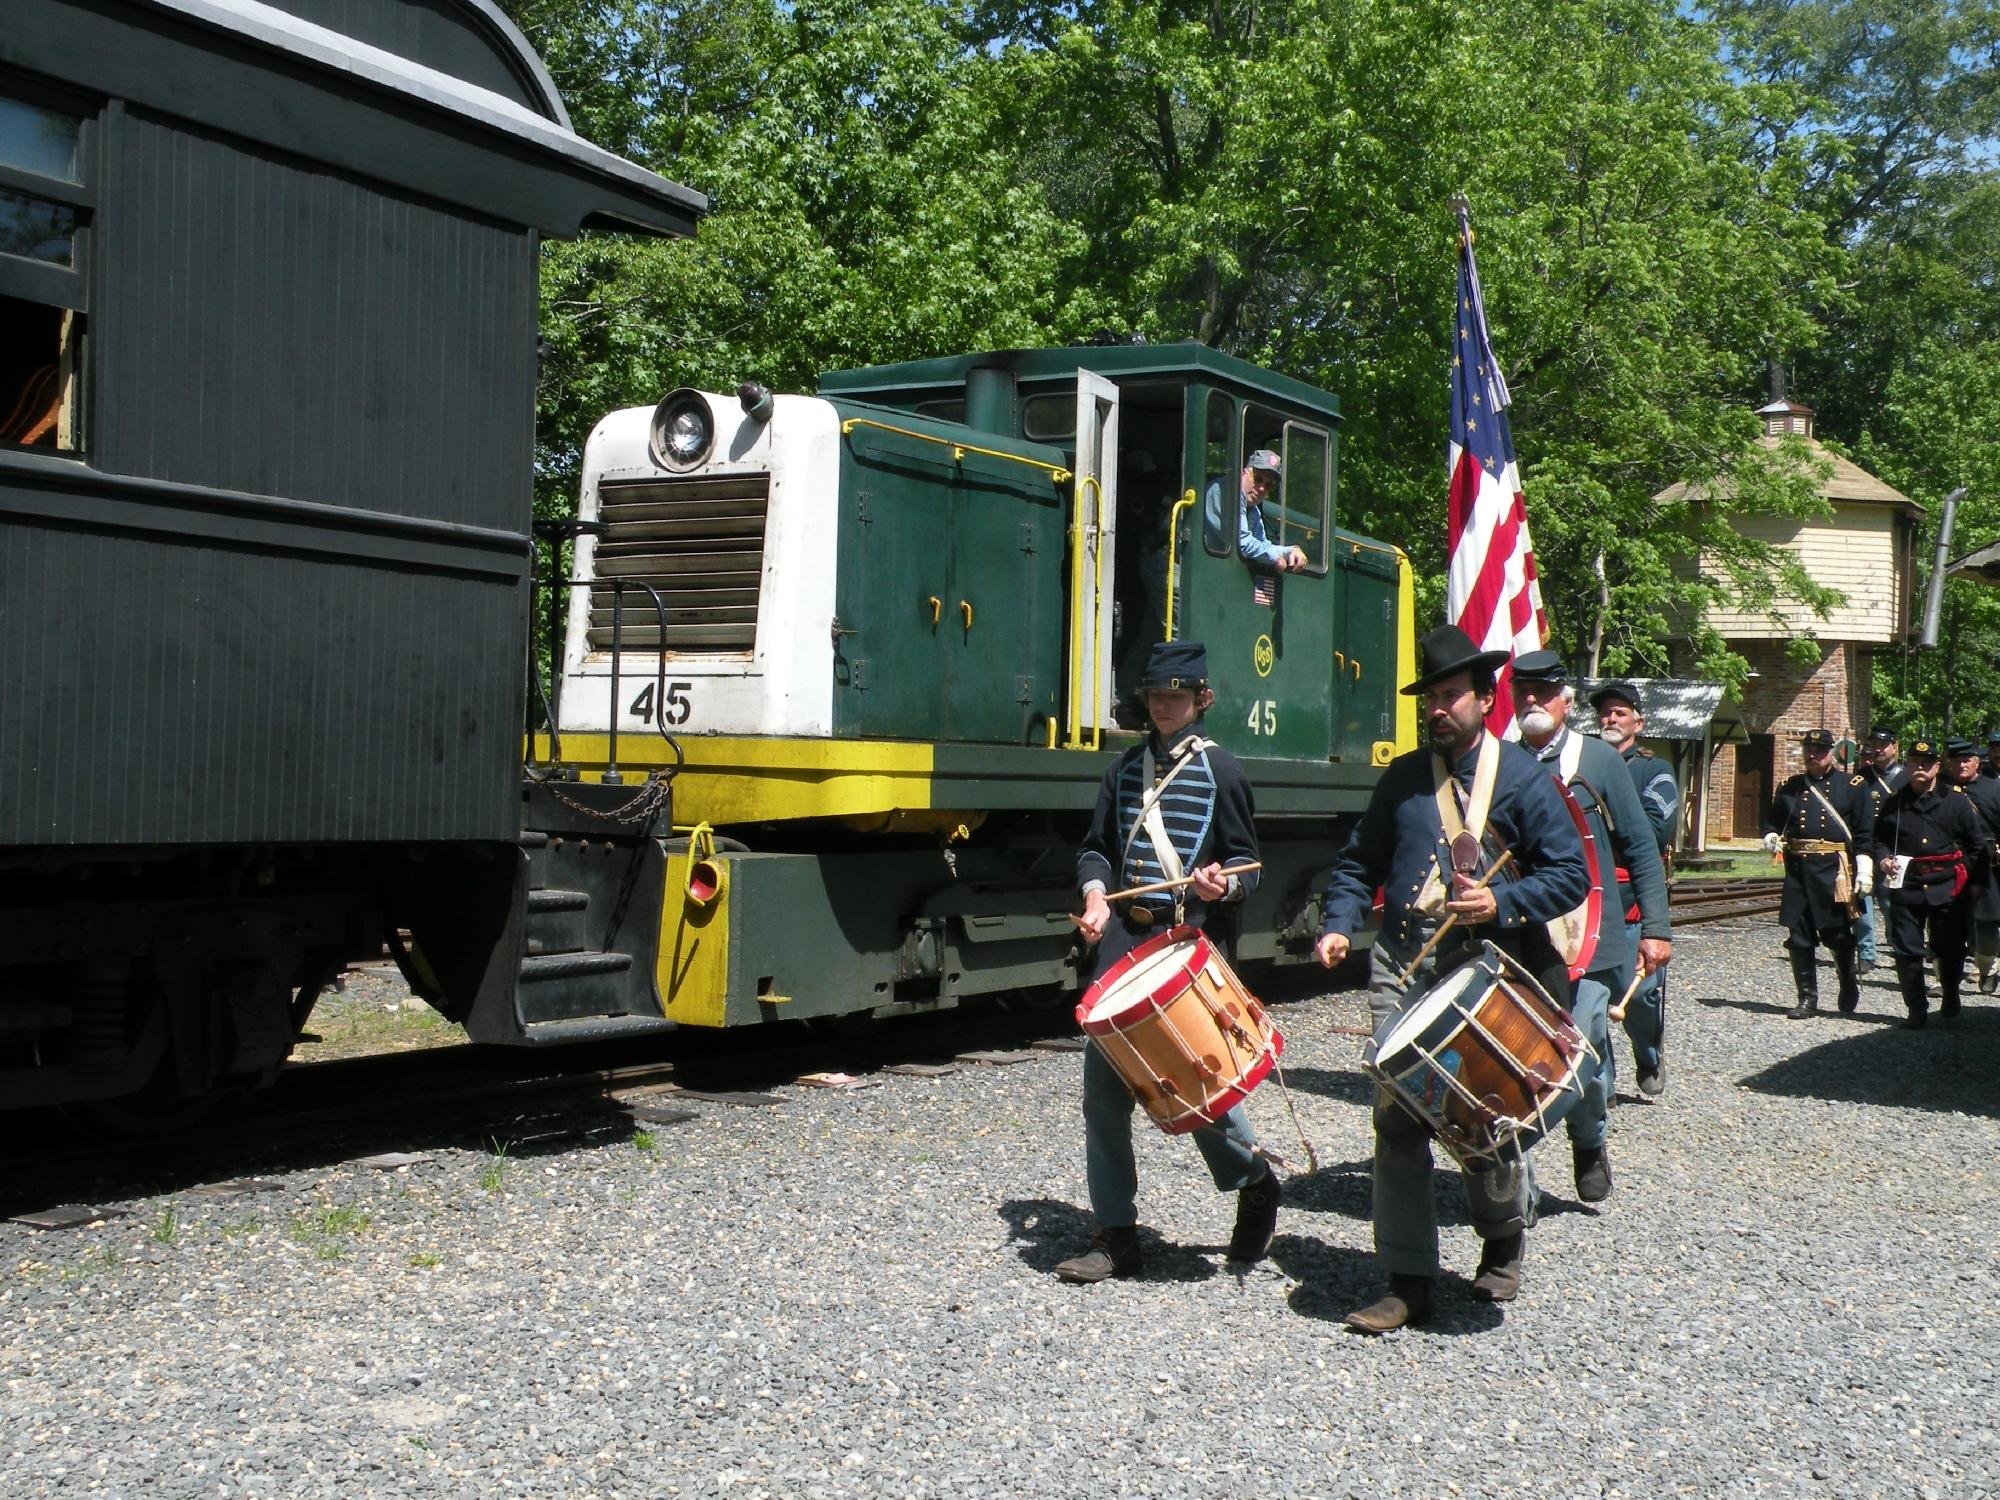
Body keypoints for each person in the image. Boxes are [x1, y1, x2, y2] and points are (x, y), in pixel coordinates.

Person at [1314, 625, 1588, 1333]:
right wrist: (1339, 920)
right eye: (1429, 697)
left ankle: (1501, 1238)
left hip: (1488, 976)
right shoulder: (1403, 779)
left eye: (1450, 695)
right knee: (1398, 1116)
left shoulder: (1525, 779)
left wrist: (1503, 900)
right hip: (1404, 966)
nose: (1438, 709)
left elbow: (1570, 876)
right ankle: (1407, 1278)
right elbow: (1355, 864)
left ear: (1483, 697)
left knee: (1481, 1124)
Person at [1056, 639, 1279, 1283]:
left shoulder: (1223, 773)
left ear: (1200, 700)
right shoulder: (1123, 770)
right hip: (1124, 945)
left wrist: (1222, 884)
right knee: (1103, 1092)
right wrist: (1097, 895)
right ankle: (1115, 1234)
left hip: (1185, 947)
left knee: (1197, 1089)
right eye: (1155, 696)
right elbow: (1095, 850)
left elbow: (1249, 867)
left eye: (1175, 697)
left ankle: (1256, 1180)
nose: (1163, 707)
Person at [1513, 652, 1671, 1203]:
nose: (1531, 700)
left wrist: (1656, 927)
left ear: (1565, 700)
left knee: (1586, 1047)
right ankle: (1517, 1177)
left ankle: (1588, 1140)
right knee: (1520, 1055)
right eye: (1522, 691)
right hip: (1524, 935)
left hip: (1593, 932)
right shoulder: (1502, 763)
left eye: (1542, 691)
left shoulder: (1597, 761)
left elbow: (1640, 845)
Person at [1589, 681, 1678, 1094]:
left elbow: (1655, 829)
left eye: (1620, 713)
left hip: (1631, 899)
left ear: (1638, 723)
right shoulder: (1583, 764)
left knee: (1638, 995)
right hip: (1588, 897)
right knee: (1592, 998)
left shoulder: (1654, 770)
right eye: (1606, 712)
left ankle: (1648, 1053)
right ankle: (1600, 1084)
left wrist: (1603, 820)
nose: (1611, 719)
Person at [1871, 738, 1990, 1028]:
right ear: (1908, 765)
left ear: (1937, 766)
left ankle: (1950, 993)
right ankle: (1916, 1007)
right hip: (1908, 883)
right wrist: (1884, 858)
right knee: (1907, 949)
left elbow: (1977, 846)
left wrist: (1976, 882)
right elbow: (1879, 839)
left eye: (1926, 763)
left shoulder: (1956, 801)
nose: (1920, 768)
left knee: (1948, 946)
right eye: (1914, 762)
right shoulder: (1895, 802)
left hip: (1947, 884)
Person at [1763, 729, 1874, 1019]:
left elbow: (1863, 832)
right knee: (1799, 936)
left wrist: (1864, 867)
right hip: (1798, 871)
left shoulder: (1852, 785)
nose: (1812, 756)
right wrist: (1771, 836)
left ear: (1832, 752)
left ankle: (1847, 981)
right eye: (1809, 750)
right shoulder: (1791, 786)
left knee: (1837, 935)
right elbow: (1771, 823)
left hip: (1833, 871)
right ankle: (1807, 999)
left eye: (1820, 750)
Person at [1945, 739, 2000, 995]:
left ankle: (1988, 966)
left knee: (1986, 923)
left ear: (1978, 762)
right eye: (1956, 760)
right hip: (1947, 863)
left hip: (1985, 864)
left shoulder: (1993, 788)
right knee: (1944, 923)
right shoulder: (1939, 788)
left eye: (1967, 760)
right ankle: (1943, 980)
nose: (1962, 765)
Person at [1203, 449, 1308, 574]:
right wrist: (1275, 558)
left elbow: (1262, 544)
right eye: (1258, 479)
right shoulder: (1225, 492)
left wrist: (1290, 551)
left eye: (1268, 485)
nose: (1262, 488)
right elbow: (1242, 543)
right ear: (1243, 473)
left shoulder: (1252, 510)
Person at [1856, 727, 1907, 969]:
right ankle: (1866, 953)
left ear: (1894, 747)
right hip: (1865, 847)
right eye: (1874, 744)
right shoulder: (1860, 778)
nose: (1878, 749)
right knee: (1862, 902)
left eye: (1883, 745)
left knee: (1891, 904)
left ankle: (1899, 946)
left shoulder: (1905, 777)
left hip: (1893, 849)